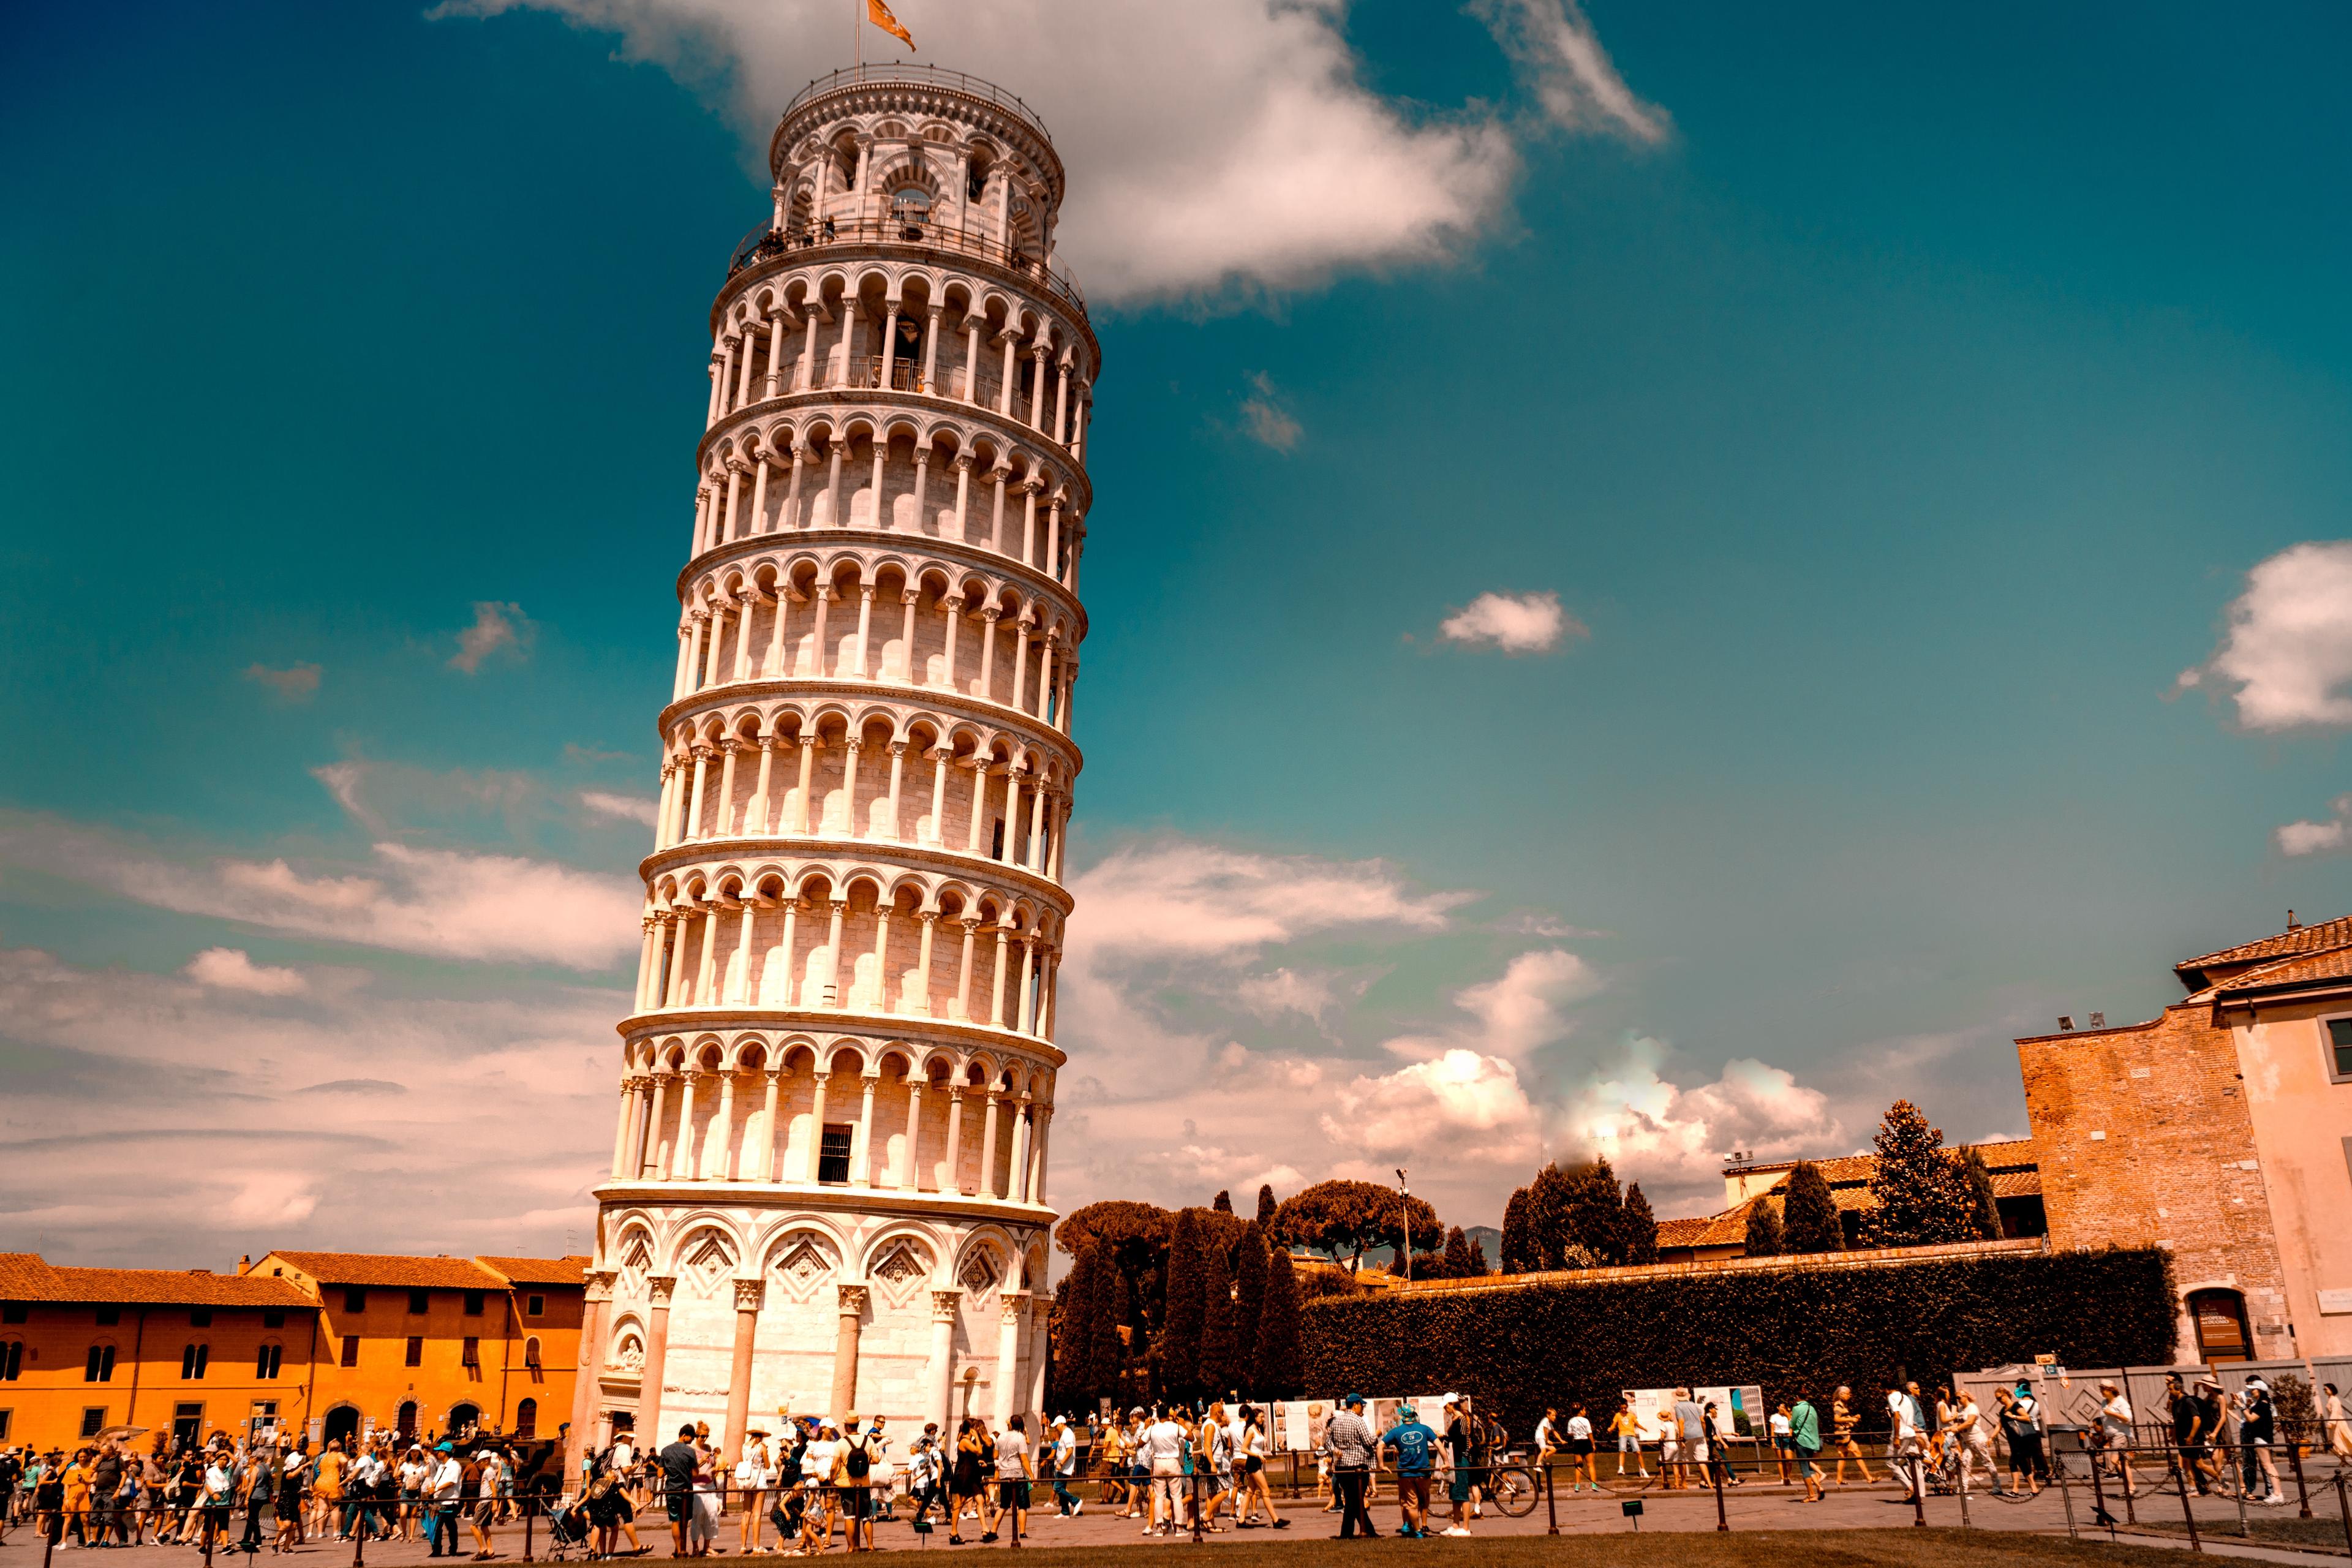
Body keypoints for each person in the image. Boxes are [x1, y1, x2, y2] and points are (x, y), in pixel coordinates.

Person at [1324, 1394, 1378, 1539]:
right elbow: (1368, 1441)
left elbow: (1327, 1442)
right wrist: (1377, 1435)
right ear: (1355, 1405)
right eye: (1362, 1405)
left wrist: (1334, 1450)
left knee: (1352, 1498)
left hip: (1342, 1466)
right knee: (1356, 1500)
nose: (1363, 1408)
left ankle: (1354, 1532)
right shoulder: (1358, 1420)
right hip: (1358, 1466)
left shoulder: (1336, 1421)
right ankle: (1358, 1532)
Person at [1140, 1407, 1188, 1537]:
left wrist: (1147, 1429)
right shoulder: (1175, 1427)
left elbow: (1140, 1443)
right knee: (1176, 1496)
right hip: (1172, 1461)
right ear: (1168, 1414)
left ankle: (1159, 1527)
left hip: (1159, 1462)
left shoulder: (1153, 1428)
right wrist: (1182, 1425)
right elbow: (1191, 1437)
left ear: (1157, 1415)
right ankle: (1178, 1527)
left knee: (1159, 1496)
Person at [654, 1424, 699, 1558]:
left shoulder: (665, 1451)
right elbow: (695, 1474)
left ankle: (677, 1550)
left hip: (671, 1490)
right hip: (686, 1490)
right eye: (692, 1437)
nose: (692, 1441)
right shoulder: (690, 1452)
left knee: (675, 1521)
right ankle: (681, 1551)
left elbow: (660, 1474)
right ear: (684, 1435)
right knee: (684, 1521)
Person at [2240, 1376, 2287, 1505]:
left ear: (2260, 1390)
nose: (2251, 1392)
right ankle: (2277, 1493)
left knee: (2268, 1465)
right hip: (2264, 1437)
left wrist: (2243, 1407)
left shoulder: (2262, 1404)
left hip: (2261, 1437)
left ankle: (2277, 1493)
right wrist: (2248, 1406)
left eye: (2253, 1390)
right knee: (2269, 1465)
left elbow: (2251, 1419)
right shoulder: (2263, 1403)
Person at [992, 1415, 1033, 1544]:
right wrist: (1032, 1476)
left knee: (1004, 1504)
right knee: (1022, 1504)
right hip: (1017, 1474)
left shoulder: (1001, 1437)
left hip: (1004, 1474)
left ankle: (993, 1530)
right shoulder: (1020, 1437)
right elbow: (1024, 1459)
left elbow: (995, 1455)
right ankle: (1022, 1532)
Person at [2000, 1384, 2048, 1495]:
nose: (1999, 1400)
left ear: (2006, 1395)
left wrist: (2013, 1416)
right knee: (2023, 1464)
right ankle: (2034, 1488)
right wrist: (1992, 1437)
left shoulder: (2016, 1405)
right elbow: (2000, 1424)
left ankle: (2016, 1490)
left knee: (2013, 1462)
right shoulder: (2003, 1410)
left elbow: (2027, 1418)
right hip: (2014, 1440)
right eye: (1997, 1398)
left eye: (2000, 1397)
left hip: (2021, 1439)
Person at [1830, 1385, 1873, 1485]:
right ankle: (1869, 1477)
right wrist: (1851, 1419)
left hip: (1839, 1434)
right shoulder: (1839, 1406)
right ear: (1842, 1394)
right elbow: (1837, 1419)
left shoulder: (1841, 1405)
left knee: (1842, 1456)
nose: (1850, 1396)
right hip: (1843, 1434)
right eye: (1848, 1394)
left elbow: (1842, 1418)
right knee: (1857, 1453)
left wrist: (1853, 1417)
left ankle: (1839, 1480)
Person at [1789, 1391, 1825, 1502]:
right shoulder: (1812, 1408)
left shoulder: (1797, 1409)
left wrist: (1788, 1417)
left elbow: (1792, 1424)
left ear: (1797, 1397)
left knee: (1804, 1469)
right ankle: (1818, 1488)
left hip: (1802, 1441)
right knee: (1809, 1468)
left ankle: (1811, 1494)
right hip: (1812, 1441)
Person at [1668, 1389, 1703, 1490]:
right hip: (1694, 1433)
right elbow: (1700, 1420)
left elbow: (1681, 1422)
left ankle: (1682, 1483)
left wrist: (1681, 1437)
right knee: (1698, 1459)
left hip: (1683, 1434)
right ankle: (1703, 1481)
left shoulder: (1678, 1407)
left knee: (1681, 1460)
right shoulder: (1691, 1405)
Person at [1610, 1399, 1648, 1480]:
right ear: (1620, 1407)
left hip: (1631, 1435)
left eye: (1625, 1408)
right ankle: (1621, 1468)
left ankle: (1643, 1470)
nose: (1623, 1410)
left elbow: (1637, 1424)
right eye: (1622, 1408)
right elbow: (1614, 1425)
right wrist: (1610, 1429)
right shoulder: (1618, 1415)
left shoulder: (1631, 1415)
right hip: (1622, 1434)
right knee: (1622, 1451)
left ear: (1627, 1407)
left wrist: (1644, 1428)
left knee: (1638, 1452)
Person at [1565, 1406, 1598, 1493]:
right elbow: (1589, 1433)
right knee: (1590, 1465)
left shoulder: (1571, 1421)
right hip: (1586, 1442)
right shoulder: (1586, 1421)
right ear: (1580, 1411)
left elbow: (1570, 1434)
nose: (1585, 1411)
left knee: (1578, 1466)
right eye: (1584, 1410)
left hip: (1577, 1443)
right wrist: (1593, 1444)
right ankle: (1594, 1485)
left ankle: (1577, 1486)